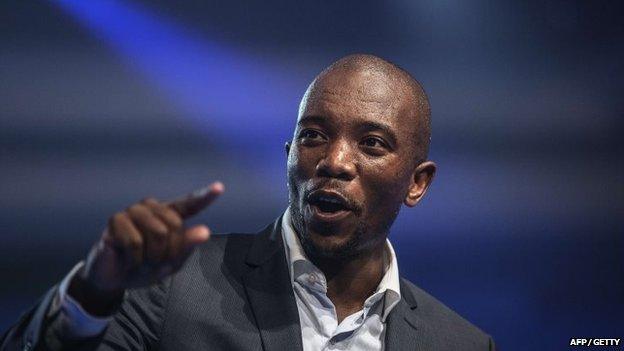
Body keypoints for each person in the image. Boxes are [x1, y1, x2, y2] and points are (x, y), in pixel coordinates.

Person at [1, 54, 495, 351]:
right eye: (314, 136)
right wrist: (93, 291)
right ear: (288, 156)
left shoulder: (462, 344)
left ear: (417, 183)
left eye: (372, 143)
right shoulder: (167, 283)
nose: (336, 161)